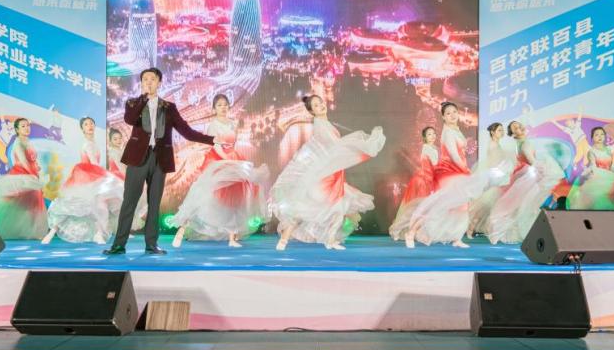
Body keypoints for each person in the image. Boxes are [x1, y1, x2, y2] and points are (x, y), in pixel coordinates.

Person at [104, 68, 225, 255]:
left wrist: (212, 139)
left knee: (154, 203)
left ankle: (151, 244)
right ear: (141, 83)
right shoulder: (133, 103)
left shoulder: (169, 107)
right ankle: (119, 245)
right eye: (145, 79)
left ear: (159, 82)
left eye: (152, 79)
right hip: (137, 158)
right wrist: (143, 98)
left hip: (160, 158)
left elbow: (186, 132)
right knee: (129, 201)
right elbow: (129, 119)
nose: (148, 82)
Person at [269, 94, 384, 250]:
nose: (321, 106)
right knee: (310, 208)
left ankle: (329, 241)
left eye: (321, 102)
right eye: (316, 105)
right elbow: (335, 147)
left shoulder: (325, 124)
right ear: (312, 112)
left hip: (331, 175)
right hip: (324, 178)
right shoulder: (320, 125)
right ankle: (285, 240)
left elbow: (334, 148)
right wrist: (360, 146)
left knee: (336, 209)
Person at [170, 94, 270, 248]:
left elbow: (233, 144)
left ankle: (232, 238)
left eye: (225, 104)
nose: (223, 107)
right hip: (217, 160)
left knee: (235, 199)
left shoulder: (233, 123)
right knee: (205, 198)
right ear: (214, 108)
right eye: (219, 105)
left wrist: (234, 161)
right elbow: (215, 145)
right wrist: (226, 160)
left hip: (233, 159)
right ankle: (182, 230)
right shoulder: (213, 125)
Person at [404, 103, 488, 248]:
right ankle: (411, 233)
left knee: (461, 206)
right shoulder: (448, 132)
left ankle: (457, 238)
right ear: (443, 117)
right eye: (448, 113)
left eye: (455, 111)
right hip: (449, 172)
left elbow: (461, 152)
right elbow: (454, 155)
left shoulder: (456, 130)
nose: (453, 115)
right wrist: (465, 169)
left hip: (458, 171)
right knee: (440, 207)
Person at [42, 117, 124, 244]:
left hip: (92, 177)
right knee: (73, 206)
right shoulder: (87, 144)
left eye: (91, 123)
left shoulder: (93, 143)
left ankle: (98, 234)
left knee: (97, 206)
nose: (89, 126)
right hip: (85, 178)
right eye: (86, 124)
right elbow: (94, 163)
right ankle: (52, 232)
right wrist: (106, 176)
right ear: (82, 129)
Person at [486, 120, 568, 244]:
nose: (519, 127)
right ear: (513, 134)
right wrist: (545, 168)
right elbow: (531, 161)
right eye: (515, 128)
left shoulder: (520, 143)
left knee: (525, 206)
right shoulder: (524, 144)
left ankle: (528, 232)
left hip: (527, 177)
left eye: (519, 125)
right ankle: (525, 232)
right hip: (529, 178)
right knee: (526, 206)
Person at [0, 117, 49, 239]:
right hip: (22, 174)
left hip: (31, 173)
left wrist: (37, 167)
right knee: (14, 204)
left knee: (33, 202)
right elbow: (23, 161)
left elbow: (32, 159)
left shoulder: (28, 141)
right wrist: (32, 174)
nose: (26, 128)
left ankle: (34, 231)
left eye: (28, 125)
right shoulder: (18, 143)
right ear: (17, 129)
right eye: (23, 126)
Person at [387, 127, 439, 242]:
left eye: (434, 133)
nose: (432, 136)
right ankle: (398, 230)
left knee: (422, 209)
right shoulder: (427, 148)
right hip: (423, 181)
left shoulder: (433, 148)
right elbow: (435, 165)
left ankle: (419, 233)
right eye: (429, 134)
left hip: (428, 181)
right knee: (417, 209)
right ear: (424, 137)